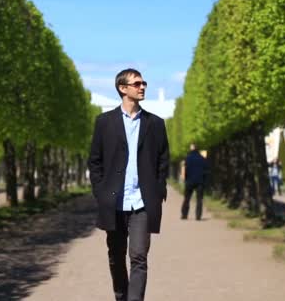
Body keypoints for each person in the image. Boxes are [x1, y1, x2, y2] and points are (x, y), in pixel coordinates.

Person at [88, 68, 170, 301]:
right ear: (122, 89)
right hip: (114, 201)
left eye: (143, 83)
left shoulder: (155, 124)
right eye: (136, 83)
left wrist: (157, 189)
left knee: (139, 256)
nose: (142, 86)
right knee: (115, 255)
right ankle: (121, 296)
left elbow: (163, 160)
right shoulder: (104, 122)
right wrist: (100, 192)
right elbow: (95, 160)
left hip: (142, 203)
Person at [181, 143, 208, 220]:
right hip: (200, 182)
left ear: (191, 149)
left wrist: (185, 179)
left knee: (187, 199)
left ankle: (184, 215)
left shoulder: (188, 158)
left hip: (189, 181)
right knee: (199, 199)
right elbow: (206, 171)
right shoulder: (203, 159)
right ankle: (198, 216)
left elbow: (185, 170)